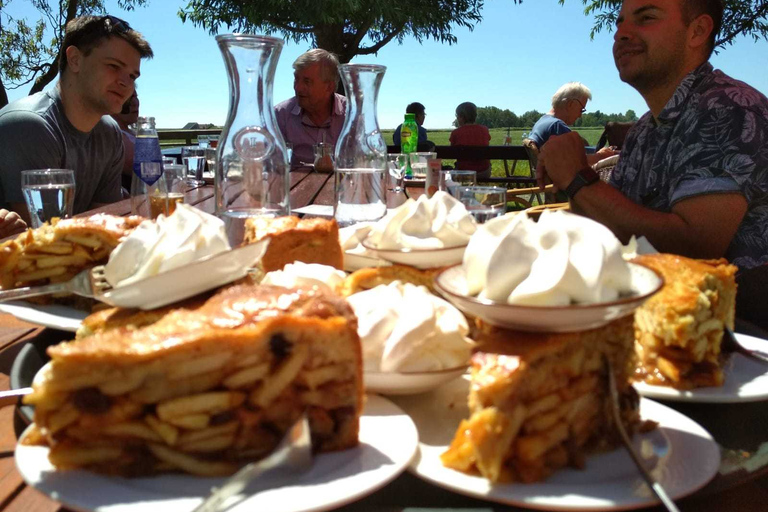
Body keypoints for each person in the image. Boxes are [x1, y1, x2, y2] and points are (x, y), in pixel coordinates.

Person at [536, 0, 768, 272]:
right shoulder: (645, 130)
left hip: (733, 309)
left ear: (697, 31)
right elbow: (606, 225)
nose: (620, 33)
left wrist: (578, 177)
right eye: (619, 22)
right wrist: (569, 173)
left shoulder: (729, 109)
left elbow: (696, 247)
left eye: (646, 17)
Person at [0, 16, 153, 222]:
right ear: (75, 59)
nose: (126, 83)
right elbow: (44, 236)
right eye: (114, 66)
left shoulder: (110, 134)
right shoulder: (29, 125)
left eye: (133, 76)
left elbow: (100, 222)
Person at [274, 49, 346, 169]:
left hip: (342, 186)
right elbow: (268, 165)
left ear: (329, 87)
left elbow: (363, 162)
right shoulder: (280, 115)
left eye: (307, 81)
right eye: (296, 79)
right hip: (293, 187)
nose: (298, 87)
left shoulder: (352, 115)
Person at [528, 82, 615, 166]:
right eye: (581, 109)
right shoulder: (557, 126)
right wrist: (601, 156)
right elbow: (576, 163)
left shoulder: (542, 121)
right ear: (571, 104)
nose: (580, 115)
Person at [449, 102, 492, 180]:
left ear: (461, 117)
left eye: (457, 116)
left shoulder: (456, 133)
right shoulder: (484, 130)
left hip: (463, 172)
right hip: (484, 172)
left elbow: (452, 152)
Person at [111, 90, 140, 191]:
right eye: (128, 98)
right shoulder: (113, 134)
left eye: (135, 96)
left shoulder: (131, 132)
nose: (135, 102)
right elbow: (145, 167)